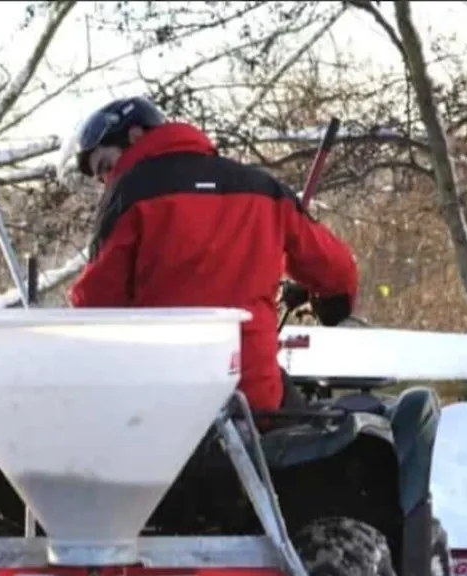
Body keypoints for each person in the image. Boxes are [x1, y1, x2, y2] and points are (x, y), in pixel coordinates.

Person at [62, 96, 360, 415]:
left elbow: (94, 307)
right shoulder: (262, 187)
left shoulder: (129, 195)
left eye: (107, 166)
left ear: (135, 136)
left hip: (162, 404)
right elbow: (338, 273)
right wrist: (330, 305)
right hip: (255, 401)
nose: (108, 179)